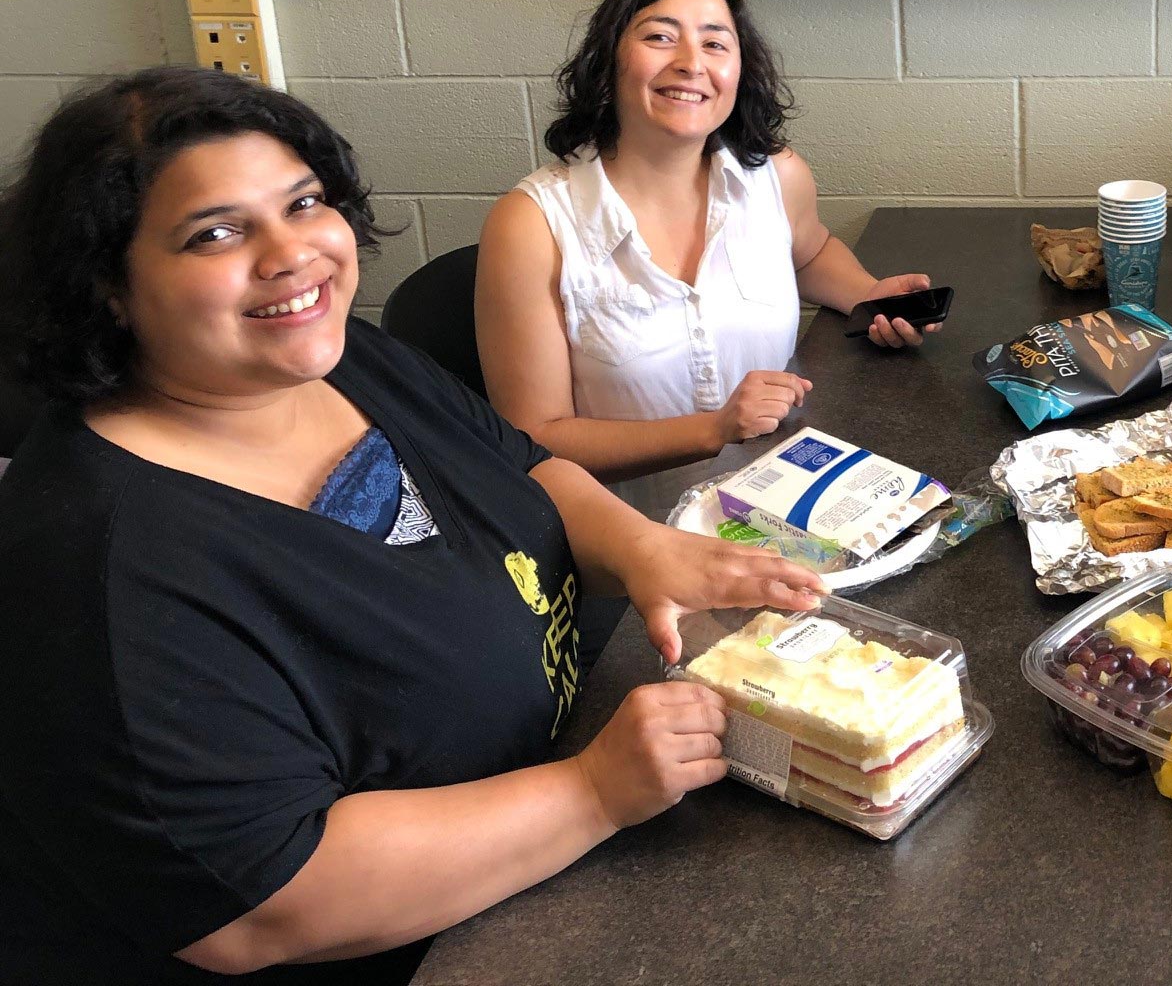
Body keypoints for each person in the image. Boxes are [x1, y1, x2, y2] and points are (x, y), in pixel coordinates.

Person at [0, 67, 824, 985]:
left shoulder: (344, 362)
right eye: (217, 233)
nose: (293, 255)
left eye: (304, 202)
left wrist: (643, 547)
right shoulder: (105, 564)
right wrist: (591, 792)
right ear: (107, 284)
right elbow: (263, 905)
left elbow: (523, 466)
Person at [476, 0, 938, 484]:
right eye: (660, 37)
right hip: (627, 527)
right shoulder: (531, 223)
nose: (691, 62)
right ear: (607, 63)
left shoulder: (776, 175)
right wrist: (712, 430)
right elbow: (535, 436)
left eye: (715, 44)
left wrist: (871, 297)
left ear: (738, 73)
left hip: (782, 488)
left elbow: (808, 251)